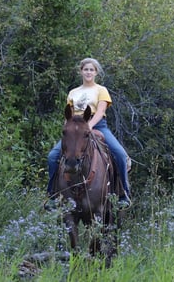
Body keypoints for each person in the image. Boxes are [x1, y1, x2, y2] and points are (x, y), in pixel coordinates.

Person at [47, 57, 132, 208]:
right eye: (85, 69)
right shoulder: (73, 92)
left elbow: (100, 111)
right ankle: (52, 195)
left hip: (97, 125)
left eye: (91, 69)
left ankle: (123, 194)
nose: (88, 72)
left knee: (120, 154)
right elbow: (69, 115)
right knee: (53, 156)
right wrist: (68, 129)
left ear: (96, 72)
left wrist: (89, 126)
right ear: (81, 71)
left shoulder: (101, 90)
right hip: (76, 129)